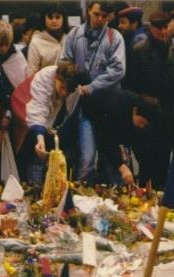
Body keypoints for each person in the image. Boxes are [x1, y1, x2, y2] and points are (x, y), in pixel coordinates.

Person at [60, 0, 126, 184]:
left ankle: (111, 203)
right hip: (82, 106)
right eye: (96, 14)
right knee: (87, 158)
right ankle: (81, 198)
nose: (100, 19)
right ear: (89, 10)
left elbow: (118, 70)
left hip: (107, 106)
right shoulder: (74, 35)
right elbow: (63, 62)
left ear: (110, 16)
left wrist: (92, 86)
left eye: (105, 16)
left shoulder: (115, 37)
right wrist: (75, 76)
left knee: (111, 158)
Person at [126, 11, 174, 189]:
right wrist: (133, 114)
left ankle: (159, 209)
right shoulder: (139, 50)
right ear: (151, 28)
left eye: (165, 27)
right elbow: (129, 87)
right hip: (146, 116)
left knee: (163, 168)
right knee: (146, 167)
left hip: (169, 117)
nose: (162, 32)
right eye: (158, 28)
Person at [19, 62, 86, 183]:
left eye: (68, 90)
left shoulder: (74, 90)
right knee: (36, 155)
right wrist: (40, 139)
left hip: (55, 123)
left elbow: (68, 114)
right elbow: (38, 111)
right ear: (56, 77)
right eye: (62, 87)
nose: (64, 93)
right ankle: (35, 186)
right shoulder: (44, 77)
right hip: (27, 114)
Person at [84, 88, 158, 186]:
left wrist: (146, 178)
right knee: (87, 159)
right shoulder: (116, 106)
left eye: (145, 125)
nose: (142, 126)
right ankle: (85, 185)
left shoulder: (142, 117)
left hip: (111, 126)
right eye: (141, 122)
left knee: (122, 163)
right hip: (91, 113)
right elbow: (106, 140)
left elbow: (142, 149)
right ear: (135, 110)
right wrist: (122, 167)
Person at [27, 2, 69, 75]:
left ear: (63, 19)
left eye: (57, 17)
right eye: (50, 17)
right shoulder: (36, 42)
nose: (54, 20)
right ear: (44, 18)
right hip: (43, 85)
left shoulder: (69, 38)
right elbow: (32, 73)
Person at [117, 6, 146, 92]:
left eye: (123, 23)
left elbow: (135, 73)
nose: (119, 26)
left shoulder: (138, 40)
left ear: (134, 24)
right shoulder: (133, 37)